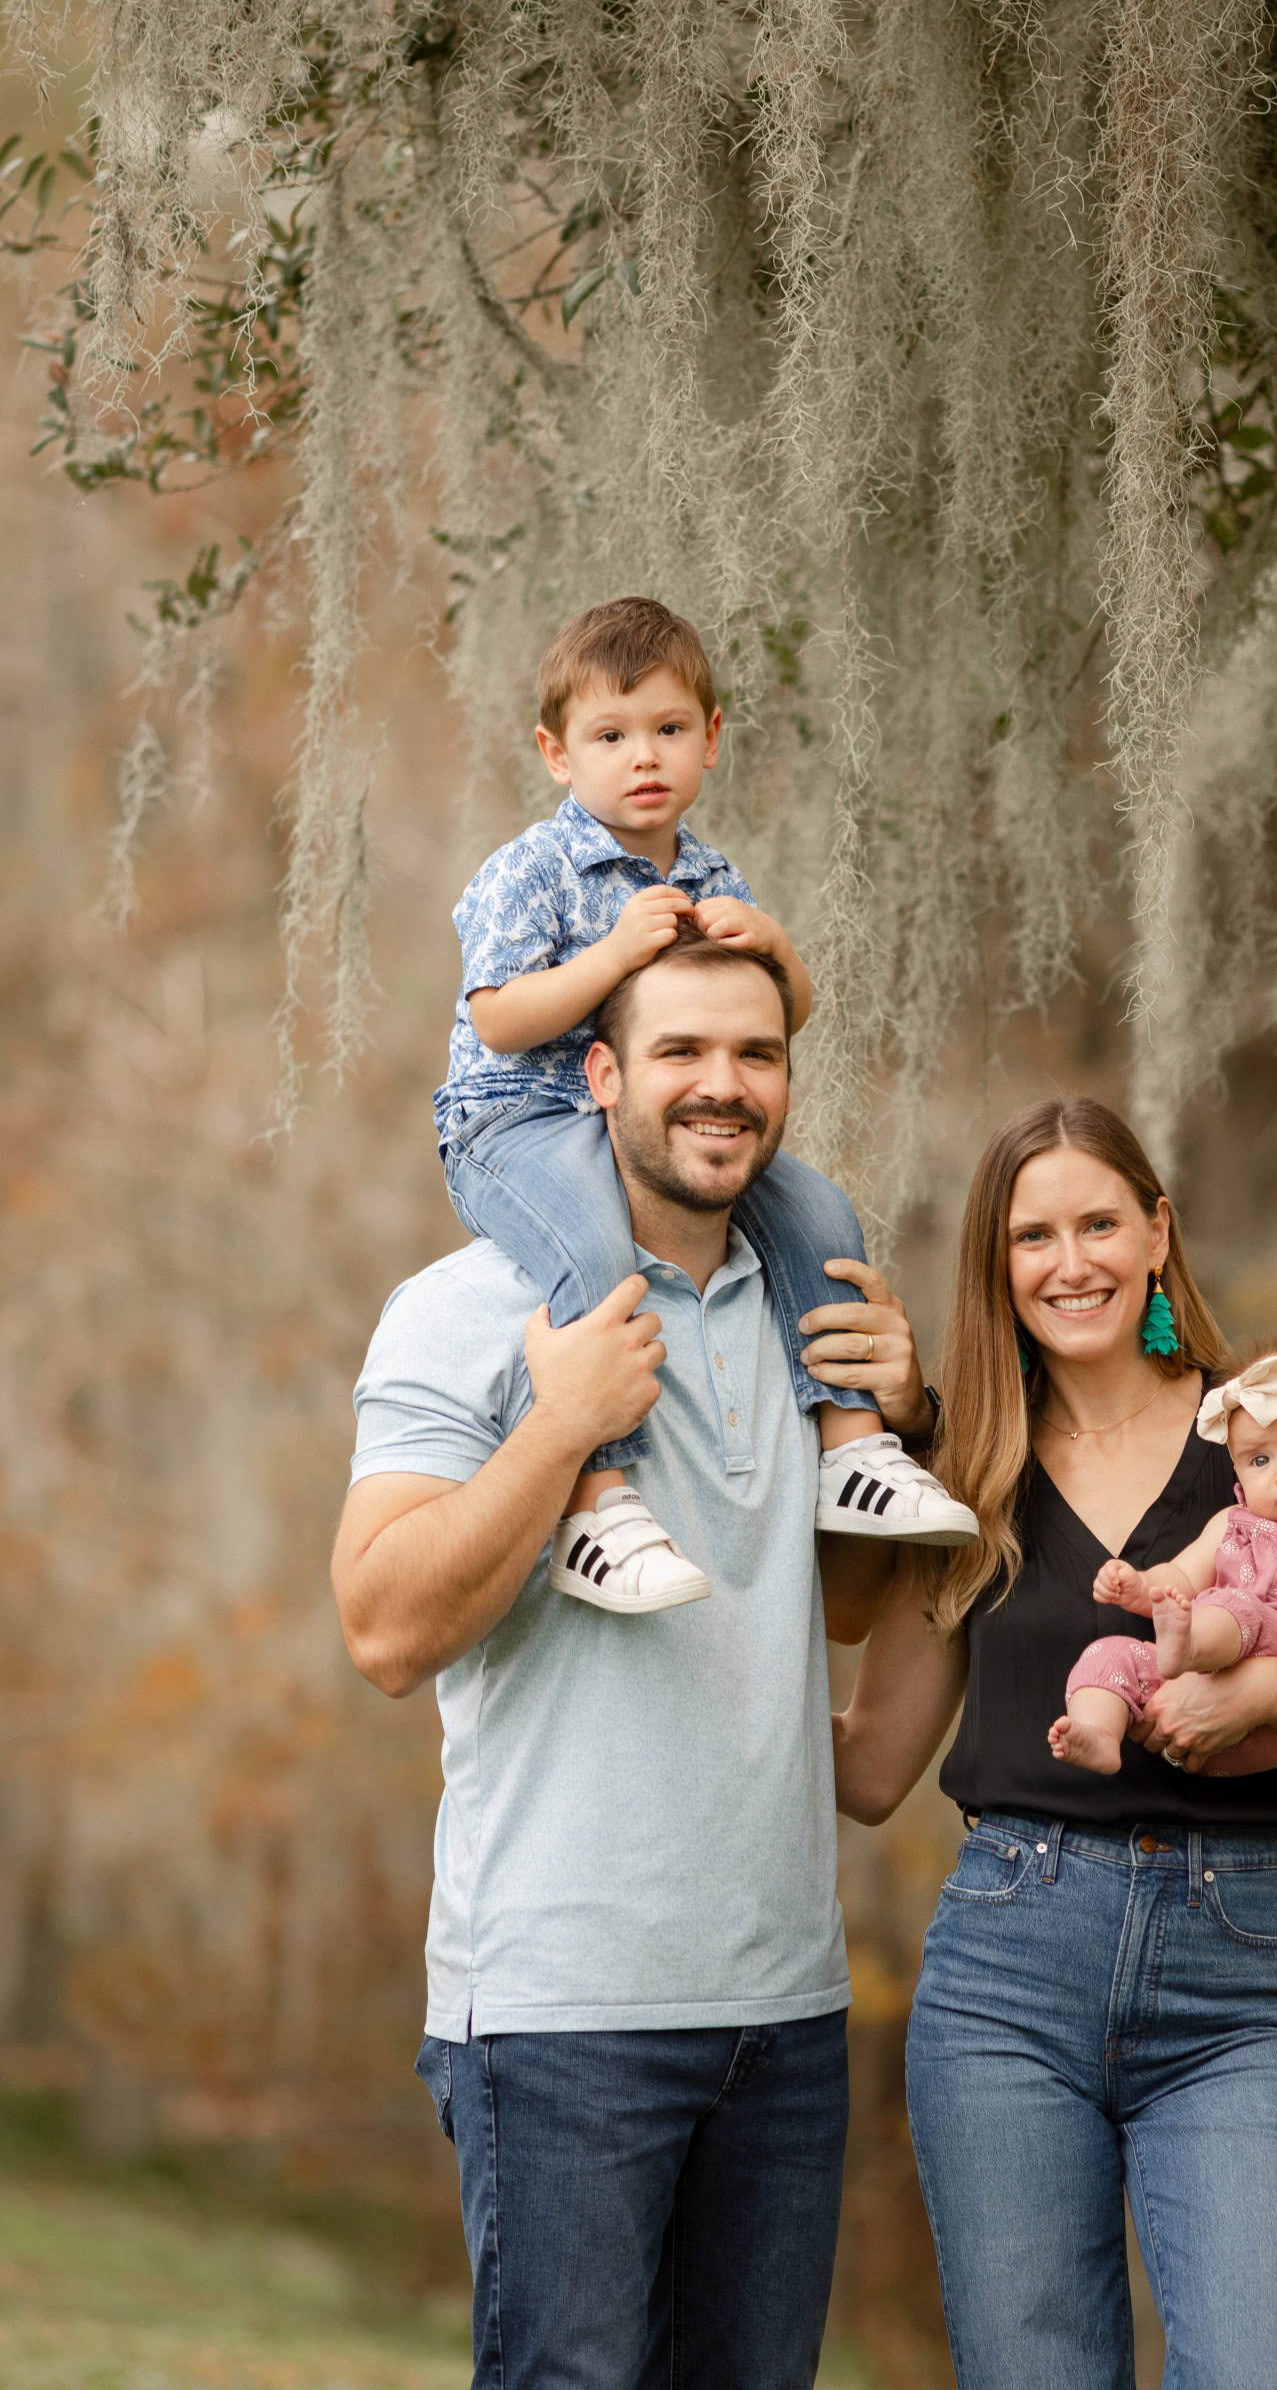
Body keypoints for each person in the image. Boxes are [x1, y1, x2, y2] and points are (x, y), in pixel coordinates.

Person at [332, 927, 940, 2389]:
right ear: (599, 1076)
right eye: (680, 1051)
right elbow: (382, 1627)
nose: (722, 1085)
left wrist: (908, 1424)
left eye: (755, 1054)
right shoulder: (472, 1307)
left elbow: (841, 1608)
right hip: (561, 2014)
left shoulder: (813, 1311)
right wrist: (559, 1425)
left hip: (784, 2013)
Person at [833, 1097, 1277, 2390]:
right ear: (997, 1263)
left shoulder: (1262, 1439)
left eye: (1100, 1224)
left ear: (1157, 1232)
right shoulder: (969, 1467)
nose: (1070, 1264)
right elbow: (872, 1766)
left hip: (1227, 1980)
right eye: (1033, 1236)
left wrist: (1260, 1694)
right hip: (1005, 1978)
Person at [432, 593, 973, 1612]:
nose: (644, 756)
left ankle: (852, 1449)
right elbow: (498, 1019)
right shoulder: (532, 870)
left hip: (652, 1125)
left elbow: (783, 1013)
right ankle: (598, 1505)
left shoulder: (714, 873)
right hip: (517, 1123)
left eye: (670, 729)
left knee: (819, 1213)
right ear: (557, 754)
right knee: (595, 1248)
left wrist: (775, 949)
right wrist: (612, 956)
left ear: (710, 740)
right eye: (610, 735)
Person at [1050, 1339, 1277, 1778]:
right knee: (1111, 1654)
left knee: (1237, 1606)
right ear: (1239, 1473)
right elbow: (1181, 1577)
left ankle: (1188, 1645)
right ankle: (1097, 1731)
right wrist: (1140, 1586)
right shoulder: (1233, 1524)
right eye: (1260, 1459)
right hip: (1191, 1703)